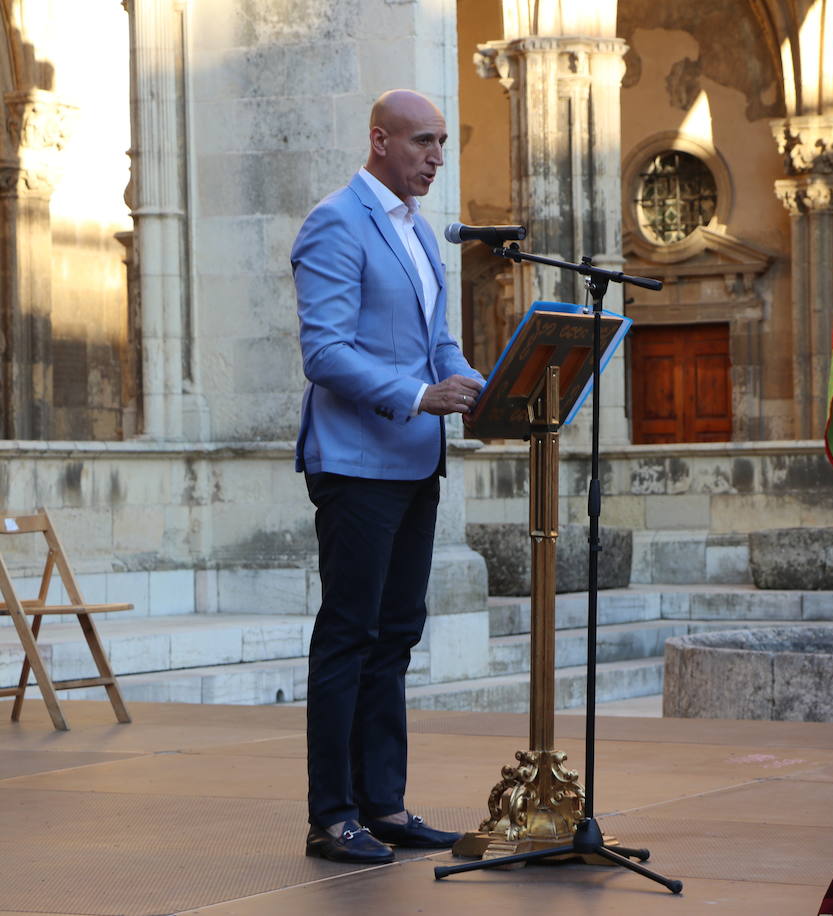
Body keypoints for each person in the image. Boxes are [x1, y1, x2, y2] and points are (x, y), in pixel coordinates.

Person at [292, 89, 485, 863]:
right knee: (348, 633)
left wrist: (480, 385)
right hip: (356, 462)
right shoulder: (336, 222)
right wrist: (418, 397)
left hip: (414, 460)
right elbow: (326, 352)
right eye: (423, 143)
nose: (438, 157)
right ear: (380, 140)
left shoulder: (417, 232)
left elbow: (437, 341)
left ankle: (384, 804)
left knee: (397, 635)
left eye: (441, 143)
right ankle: (331, 815)